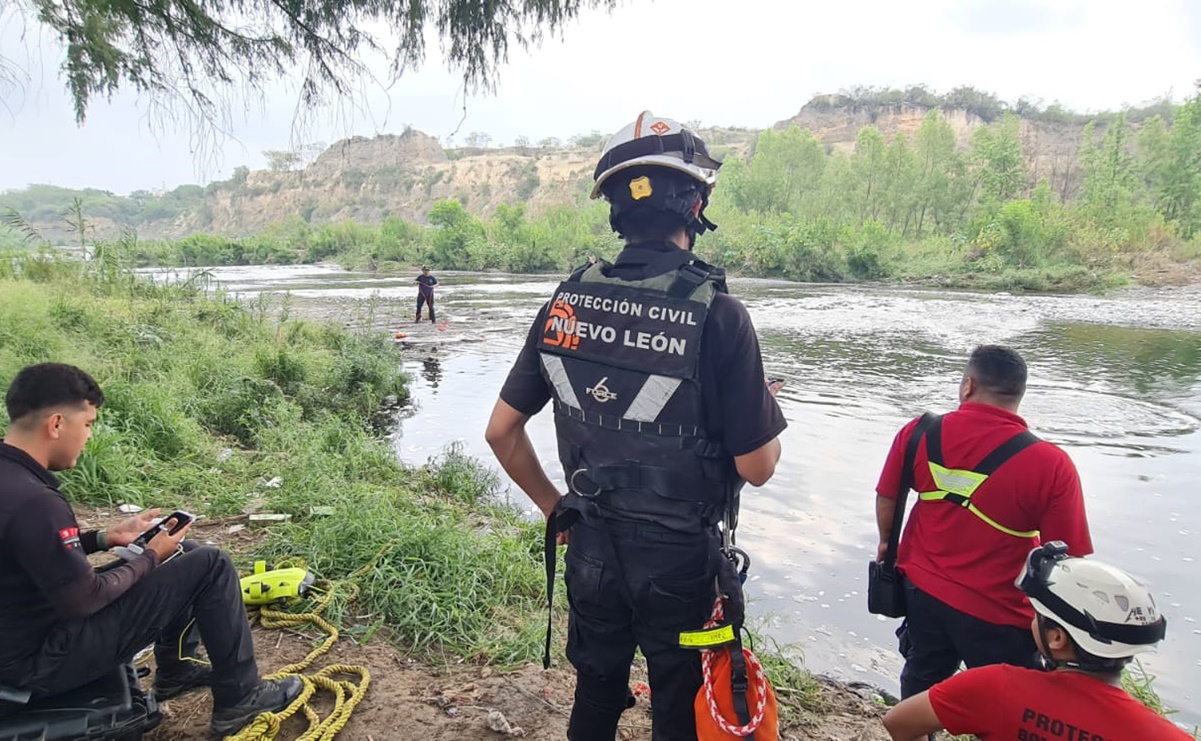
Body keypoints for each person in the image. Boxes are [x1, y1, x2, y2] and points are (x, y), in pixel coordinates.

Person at [485, 111, 786, 741]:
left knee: (596, 694)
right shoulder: (721, 314)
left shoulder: (566, 300)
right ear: (697, 204)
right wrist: (755, 399)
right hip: (679, 559)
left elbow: (501, 433)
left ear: (616, 211)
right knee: (677, 705)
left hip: (591, 544)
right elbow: (756, 468)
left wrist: (554, 507)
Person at [0, 363, 301, 737]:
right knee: (211, 564)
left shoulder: (10, 479)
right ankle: (242, 697)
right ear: (57, 424)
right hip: (39, 663)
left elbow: (28, 547)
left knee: (183, 551)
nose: (89, 436)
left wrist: (105, 538)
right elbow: (84, 600)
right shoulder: (36, 500)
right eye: (89, 424)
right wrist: (150, 556)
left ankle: (175, 672)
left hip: (19, 640)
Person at [874, 345, 1093, 701]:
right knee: (1007, 703)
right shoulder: (1051, 463)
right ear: (1019, 394)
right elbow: (1068, 561)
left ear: (968, 386)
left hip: (922, 590)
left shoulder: (919, 432)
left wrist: (887, 543)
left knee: (921, 677)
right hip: (1002, 612)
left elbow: (888, 497)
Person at [882, 542, 1191, 740]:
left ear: (1056, 638)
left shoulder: (993, 687)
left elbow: (899, 722)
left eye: (1038, 614)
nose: (1032, 619)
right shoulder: (1160, 734)